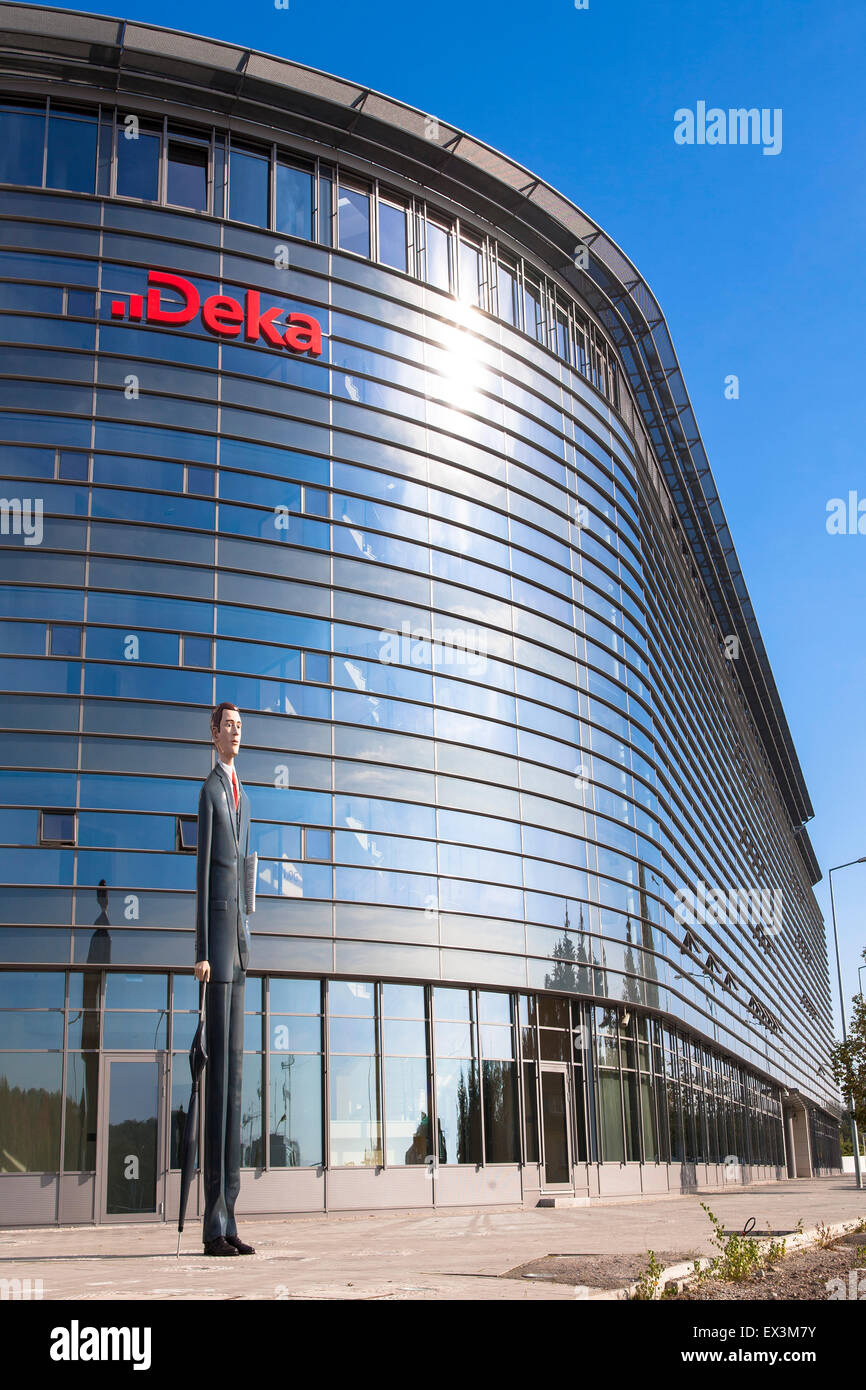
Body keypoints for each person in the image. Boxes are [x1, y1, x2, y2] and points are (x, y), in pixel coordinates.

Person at [194, 701, 256, 1256]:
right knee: (216, 1087)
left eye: (239, 728)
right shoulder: (209, 792)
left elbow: (243, 872)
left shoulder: (245, 798)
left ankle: (231, 1216)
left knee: (236, 1085)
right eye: (227, 727)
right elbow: (204, 874)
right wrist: (203, 951)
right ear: (213, 734)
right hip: (216, 951)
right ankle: (211, 1223)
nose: (234, 734)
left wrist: (245, 934)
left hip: (239, 948)